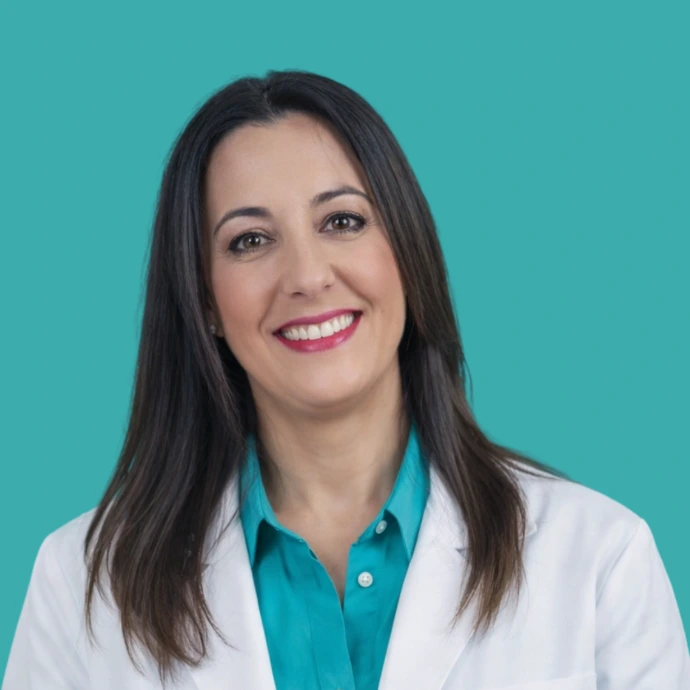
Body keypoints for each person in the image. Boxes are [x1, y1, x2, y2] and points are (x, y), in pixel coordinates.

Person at [3, 69, 689, 690]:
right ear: (205, 300)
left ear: (407, 252)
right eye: (250, 241)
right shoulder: (81, 589)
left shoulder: (600, 560)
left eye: (342, 221)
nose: (307, 276)